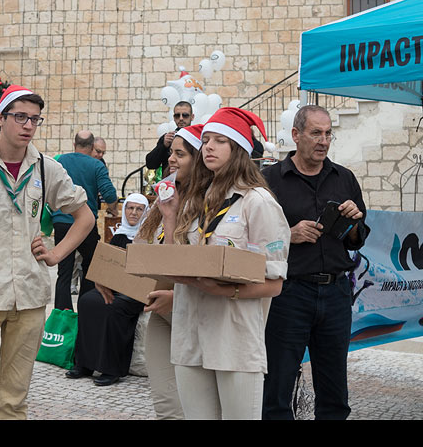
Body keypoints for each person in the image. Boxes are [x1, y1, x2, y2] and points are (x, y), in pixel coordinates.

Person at [0, 85, 94, 420]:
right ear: (0, 118)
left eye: (35, 119)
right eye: (20, 117)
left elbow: (85, 216)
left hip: (29, 298)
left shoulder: (45, 168)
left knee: (14, 401)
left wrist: (56, 254)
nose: (28, 125)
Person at [157, 107, 291, 420]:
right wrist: (170, 215)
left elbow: (274, 283)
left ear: (239, 150)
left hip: (234, 341)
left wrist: (220, 289)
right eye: (205, 140)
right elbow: (175, 262)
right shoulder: (196, 200)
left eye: (220, 141)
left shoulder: (258, 203)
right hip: (190, 335)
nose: (209, 147)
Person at [261, 104, 369, 420]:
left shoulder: (344, 178)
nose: (323, 141)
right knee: (277, 390)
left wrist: (352, 224)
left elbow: (358, 239)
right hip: (288, 294)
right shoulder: (270, 180)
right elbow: (249, 240)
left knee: (335, 394)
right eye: (315, 133)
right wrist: (287, 234)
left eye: (328, 134)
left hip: (335, 294)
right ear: (296, 135)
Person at [135, 123, 204, 419]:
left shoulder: (208, 203)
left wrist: (173, 217)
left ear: (198, 160)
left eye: (180, 154)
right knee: (165, 401)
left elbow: (199, 263)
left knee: (197, 401)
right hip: (161, 313)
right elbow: (142, 248)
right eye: (170, 153)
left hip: (192, 311)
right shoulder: (164, 199)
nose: (171, 159)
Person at [66, 193, 150, 387]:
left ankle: (112, 369)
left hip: (136, 291)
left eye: (139, 209)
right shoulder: (120, 234)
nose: (134, 213)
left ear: (146, 212)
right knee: (88, 301)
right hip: (116, 286)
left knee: (115, 307)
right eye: (130, 208)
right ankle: (84, 363)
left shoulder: (148, 237)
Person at [51, 130, 118, 311]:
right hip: (86, 224)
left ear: (74, 145)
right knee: (90, 267)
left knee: (63, 272)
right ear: (91, 147)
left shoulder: (60, 162)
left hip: (61, 222)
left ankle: (62, 317)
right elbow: (109, 194)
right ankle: (86, 309)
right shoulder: (96, 165)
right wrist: (113, 208)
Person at [145, 101, 194, 177]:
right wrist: (163, 146)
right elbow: (151, 164)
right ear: (174, 118)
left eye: (185, 115)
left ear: (192, 117)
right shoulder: (167, 138)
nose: (181, 118)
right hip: (170, 185)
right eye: (177, 115)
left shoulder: (197, 137)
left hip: (193, 183)